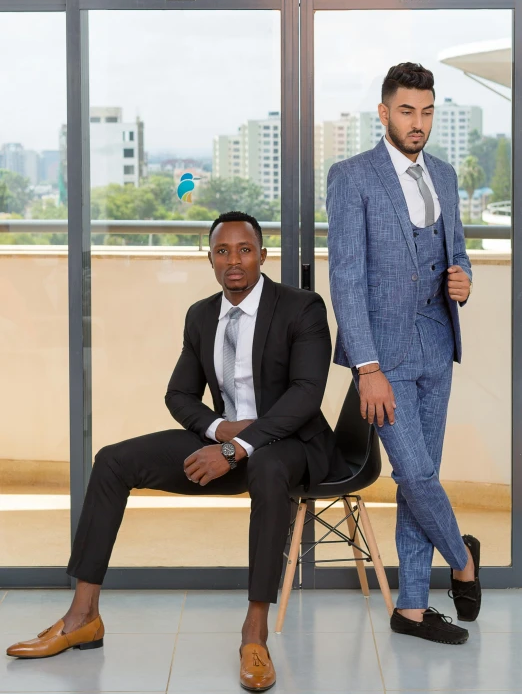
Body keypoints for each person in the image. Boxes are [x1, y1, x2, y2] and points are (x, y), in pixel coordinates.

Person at [7, 211, 337, 690]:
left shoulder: (301, 307)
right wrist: (221, 430)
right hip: (229, 439)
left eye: (245, 250)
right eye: (222, 251)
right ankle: (83, 615)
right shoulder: (202, 315)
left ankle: (255, 632)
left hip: (291, 445)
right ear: (209, 259)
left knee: (264, 467)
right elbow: (179, 395)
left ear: (263, 256)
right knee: (112, 461)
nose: (234, 261)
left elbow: (306, 394)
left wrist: (239, 447)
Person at [326, 62, 481, 645]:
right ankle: (461, 557)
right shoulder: (353, 176)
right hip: (384, 359)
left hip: (437, 345)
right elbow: (346, 278)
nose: (419, 124)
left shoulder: (443, 174)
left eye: (428, 112)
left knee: (424, 476)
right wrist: (366, 367)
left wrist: (463, 279)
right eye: (408, 111)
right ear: (385, 113)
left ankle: (411, 609)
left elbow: (456, 254)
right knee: (412, 471)